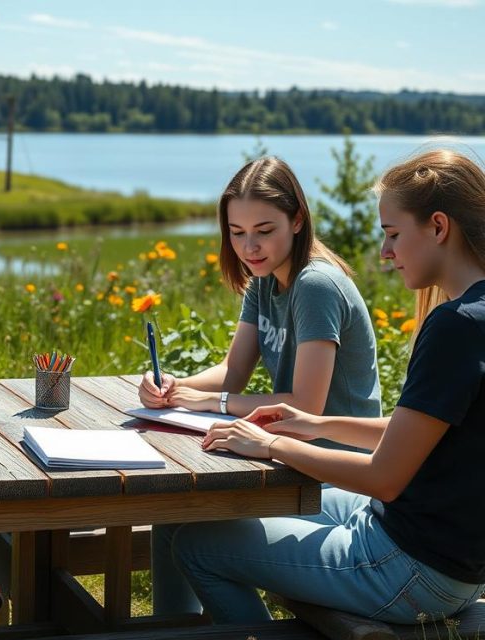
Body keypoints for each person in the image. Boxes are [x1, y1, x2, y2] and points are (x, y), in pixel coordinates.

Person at [161, 149, 485, 625]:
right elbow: (417, 432)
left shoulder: (455, 326)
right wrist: (313, 424)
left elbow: (384, 478)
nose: (385, 252)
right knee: (187, 515)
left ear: (438, 227)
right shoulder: (472, 315)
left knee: (195, 544)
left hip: (411, 568)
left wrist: (271, 444)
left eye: (393, 234)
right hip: (441, 555)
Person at [141, 157, 382, 614]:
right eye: (237, 232)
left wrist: (217, 401)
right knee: (172, 513)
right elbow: (233, 371)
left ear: (297, 220)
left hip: (335, 471)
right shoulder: (264, 279)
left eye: (264, 230)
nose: (249, 246)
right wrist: (172, 386)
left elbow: (304, 405)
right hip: (285, 457)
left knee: (191, 527)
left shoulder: (316, 284)